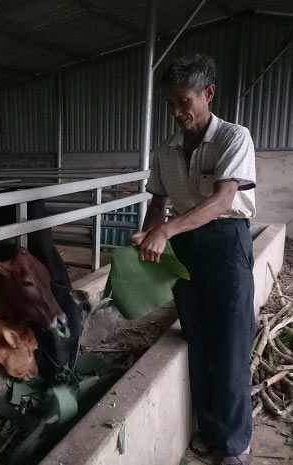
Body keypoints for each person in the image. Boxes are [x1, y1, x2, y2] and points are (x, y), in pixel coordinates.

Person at [132, 54, 256, 465]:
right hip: (185, 246)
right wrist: (148, 235)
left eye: (184, 101)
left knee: (231, 342)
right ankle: (210, 429)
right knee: (198, 339)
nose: (176, 111)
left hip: (225, 242)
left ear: (208, 93)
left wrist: (165, 231)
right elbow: (158, 202)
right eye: (170, 103)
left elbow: (222, 201)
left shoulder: (233, 137)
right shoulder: (166, 150)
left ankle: (235, 445)